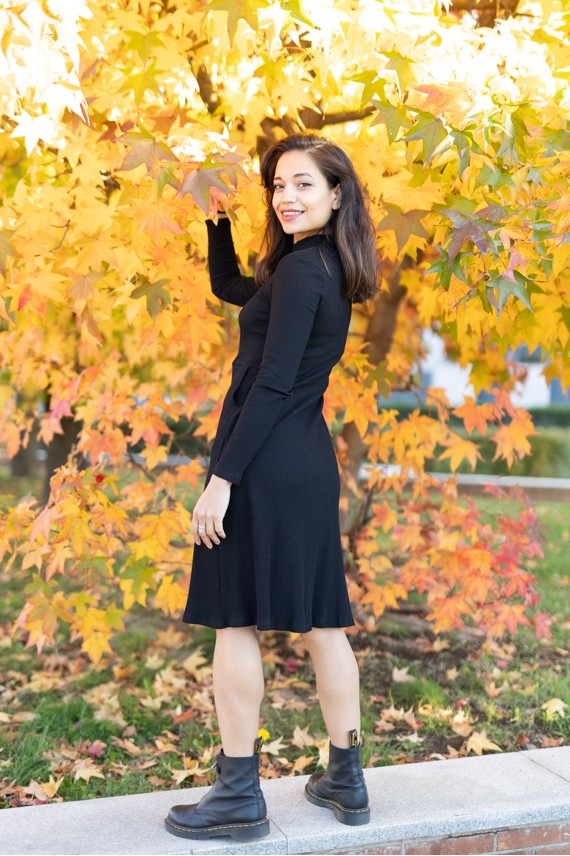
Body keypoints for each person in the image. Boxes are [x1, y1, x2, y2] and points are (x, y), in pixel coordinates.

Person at [165, 133, 379, 842]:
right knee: (323, 623)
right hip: (307, 464)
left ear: (337, 192)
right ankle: (345, 780)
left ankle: (236, 795)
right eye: (277, 186)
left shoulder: (301, 274)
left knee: (236, 619)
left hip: (260, 463)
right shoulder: (319, 265)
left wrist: (220, 478)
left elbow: (273, 380)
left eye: (303, 185)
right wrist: (217, 221)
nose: (286, 196)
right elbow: (232, 291)